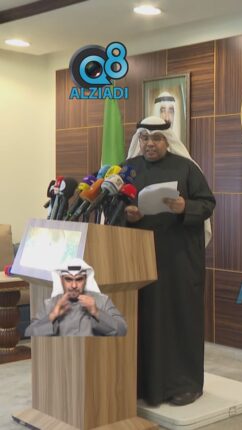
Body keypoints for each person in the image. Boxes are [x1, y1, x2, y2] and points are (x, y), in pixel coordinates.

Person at [123, 116, 215, 407]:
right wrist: (129, 215)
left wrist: (185, 206)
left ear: (168, 141)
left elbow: (207, 204)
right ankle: (141, 384)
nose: (150, 144)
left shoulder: (186, 168)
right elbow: (113, 207)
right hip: (138, 257)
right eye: (145, 138)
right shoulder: (128, 170)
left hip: (178, 260)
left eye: (157, 138)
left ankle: (183, 384)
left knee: (179, 318)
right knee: (142, 319)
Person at [25, 258, 127, 337]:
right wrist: (53, 315)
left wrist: (96, 312)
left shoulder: (102, 301)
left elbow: (122, 330)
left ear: (85, 280)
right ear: (61, 280)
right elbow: (29, 334)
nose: (74, 285)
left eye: (79, 279)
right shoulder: (50, 304)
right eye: (68, 279)